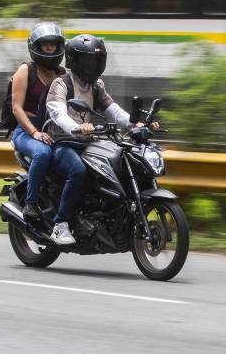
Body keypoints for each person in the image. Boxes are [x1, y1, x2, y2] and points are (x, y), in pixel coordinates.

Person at [44, 33, 156, 245]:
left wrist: (135, 124)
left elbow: (113, 110)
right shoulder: (61, 83)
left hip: (88, 142)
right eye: (88, 60)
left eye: (96, 60)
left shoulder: (96, 85)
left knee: (117, 162)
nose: (93, 65)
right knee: (78, 170)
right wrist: (76, 128)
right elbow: (57, 112)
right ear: (74, 60)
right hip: (63, 143)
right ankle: (61, 225)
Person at [10, 22, 66, 222]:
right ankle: (31, 203)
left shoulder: (62, 74)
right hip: (27, 129)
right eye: (45, 44)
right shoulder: (26, 70)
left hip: (56, 129)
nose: (50, 48)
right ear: (36, 46)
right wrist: (34, 133)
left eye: (53, 44)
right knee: (42, 153)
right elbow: (16, 107)